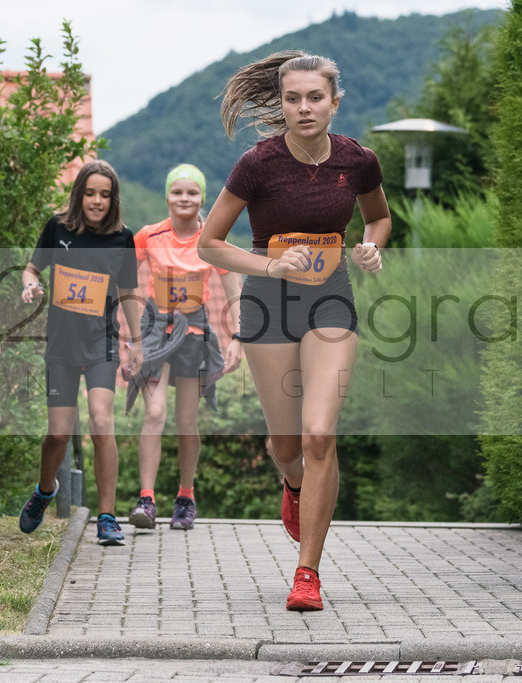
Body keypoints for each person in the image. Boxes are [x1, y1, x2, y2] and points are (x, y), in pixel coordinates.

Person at [197, 51, 390, 611]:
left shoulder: (358, 160)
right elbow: (209, 243)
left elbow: (378, 215)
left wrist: (372, 244)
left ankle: (308, 573)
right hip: (268, 303)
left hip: (331, 300)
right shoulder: (258, 164)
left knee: (319, 436)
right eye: (292, 98)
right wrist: (269, 266)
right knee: (287, 448)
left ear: (335, 101)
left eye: (315, 97)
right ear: (280, 103)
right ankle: (295, 487)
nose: (304, 108)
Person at [18, 159, 143, 546]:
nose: (97, 201)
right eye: (90, 193)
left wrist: (136, 342)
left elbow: (128, 293)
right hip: (61, 345)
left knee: (101, 421)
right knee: (57, 434)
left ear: (113, 199)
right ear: (79, 194)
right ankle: (44, 490)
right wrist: (29, 286)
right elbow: (31, 269)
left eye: (105, 195)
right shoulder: (59, 228)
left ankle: (107, 517)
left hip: (103, 343)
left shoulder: (123, 238)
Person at [125, 164, 244, 531]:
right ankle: (146, 500)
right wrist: (132, 339)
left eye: (192, 193)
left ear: (203, 197)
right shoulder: (149, 235)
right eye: (178, 192)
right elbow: (126, 282)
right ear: (167, 196)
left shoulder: (212, 239)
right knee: (155, 412)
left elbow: (234, 292)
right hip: (154, 332)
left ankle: (186, 496)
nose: (184, 199)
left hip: (194, 334)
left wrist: (237, 338)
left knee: (186, 422)